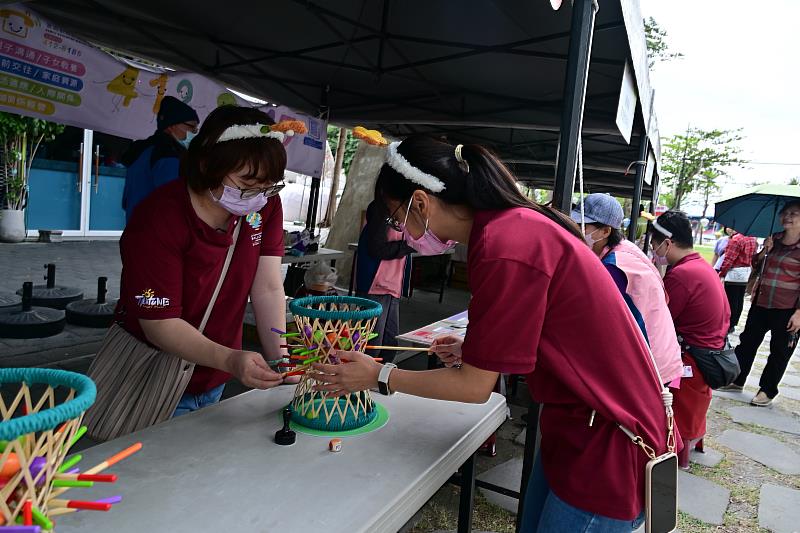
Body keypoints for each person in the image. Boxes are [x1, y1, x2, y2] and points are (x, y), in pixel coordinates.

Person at [311, 136, 674, 532]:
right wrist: (476, 352)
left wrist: (379, 376)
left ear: (420, 201)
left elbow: (474, 388)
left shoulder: (504, 243)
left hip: (609, 446)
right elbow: (546, 331)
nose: (400, 229)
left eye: (396, 219)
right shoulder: (510, 227)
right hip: (580, 430)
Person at [115, 105, 293, 416]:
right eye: (247, 185)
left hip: (219, 375)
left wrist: (282, 361)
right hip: (154, 375)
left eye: (268, 187)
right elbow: (159, 322)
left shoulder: (262, 206)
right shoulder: (158, 219)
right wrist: (229, 358)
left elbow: (267, 287)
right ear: (207, 163)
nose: (259, 197)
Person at [571, 193, 683, 386]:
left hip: (650, 363)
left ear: (605, 231)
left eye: (584, 226)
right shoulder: (626, 248)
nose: (576, 230)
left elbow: (601, 323)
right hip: (661, 355)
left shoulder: (615, 266)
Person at [649, 210, 730, 469]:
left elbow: (661, 321)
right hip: (711, 354)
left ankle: (672, 450)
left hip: (692, 359)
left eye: (654, 243)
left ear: (668, 243)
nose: (653, 249)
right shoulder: (700, 267)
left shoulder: (681, 275)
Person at [722, 201, 800, 406]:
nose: (787, 217)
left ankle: (767, 390)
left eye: (794, 213)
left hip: (788, 308)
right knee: (747, 343)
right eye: (785, 213)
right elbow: (755, 265)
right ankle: (737, 380)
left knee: (780, 351)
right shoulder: (774, 239)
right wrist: (764, 251)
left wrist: (799, 313)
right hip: (762, 302)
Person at [355, 200, 415, 363]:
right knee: (372, 344)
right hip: (375, 286)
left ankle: (379, 380)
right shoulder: (381, 208)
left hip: (393, 286)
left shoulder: (405, 211)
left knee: (390, 342)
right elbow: (377, 248)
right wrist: (410, 245)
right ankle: (362, 383)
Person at [121, 96, 199, 222]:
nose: (194, 133)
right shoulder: (167, 155)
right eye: (191, 127)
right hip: (157, 230)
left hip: (135, 227)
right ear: (171, 125)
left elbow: (126, 200)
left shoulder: (142, 151)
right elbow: (172, 200)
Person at [718, 230, 758, 333]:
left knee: (731, 299)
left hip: (734, 273)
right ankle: (734, 322)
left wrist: (722, 273)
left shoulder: (736, 239)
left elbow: (729, 259)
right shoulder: (752, 238)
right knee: (739, 299)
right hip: (745, 272)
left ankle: (728, 323)